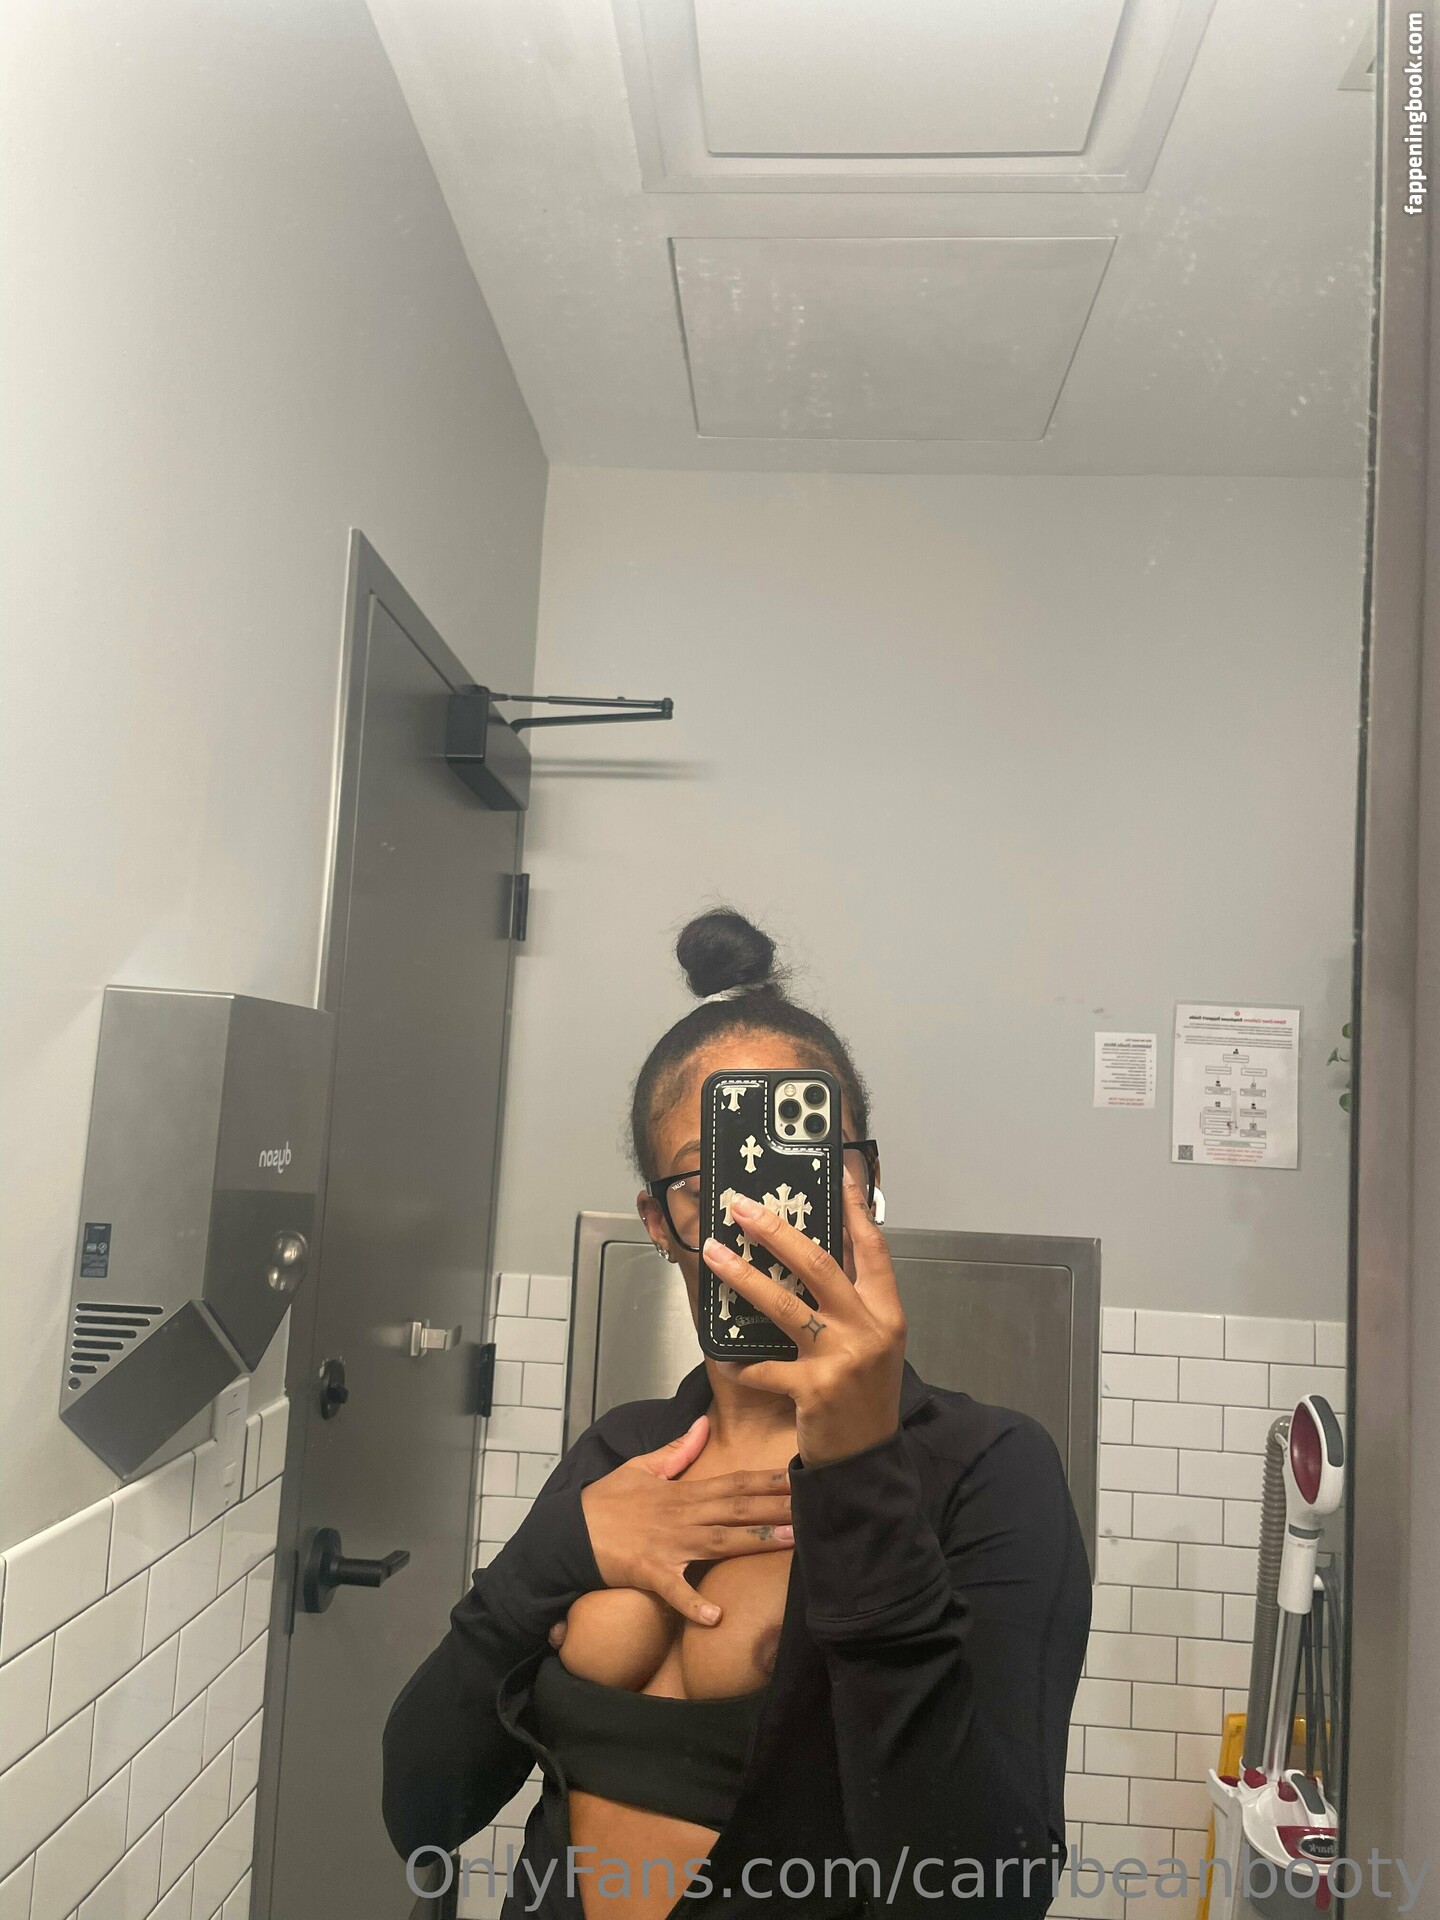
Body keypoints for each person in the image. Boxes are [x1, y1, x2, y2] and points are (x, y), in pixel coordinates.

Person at [382, 909, 1091, 1918]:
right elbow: (422, 1808)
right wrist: (557, 1550)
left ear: (865, 1181)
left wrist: (861, 1472)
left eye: (798, 1172)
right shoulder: (621, 1453)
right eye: (709, 1183)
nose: (757, 1219)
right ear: (659, 1222)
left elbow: (987, 1894)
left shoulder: (987, 1469)